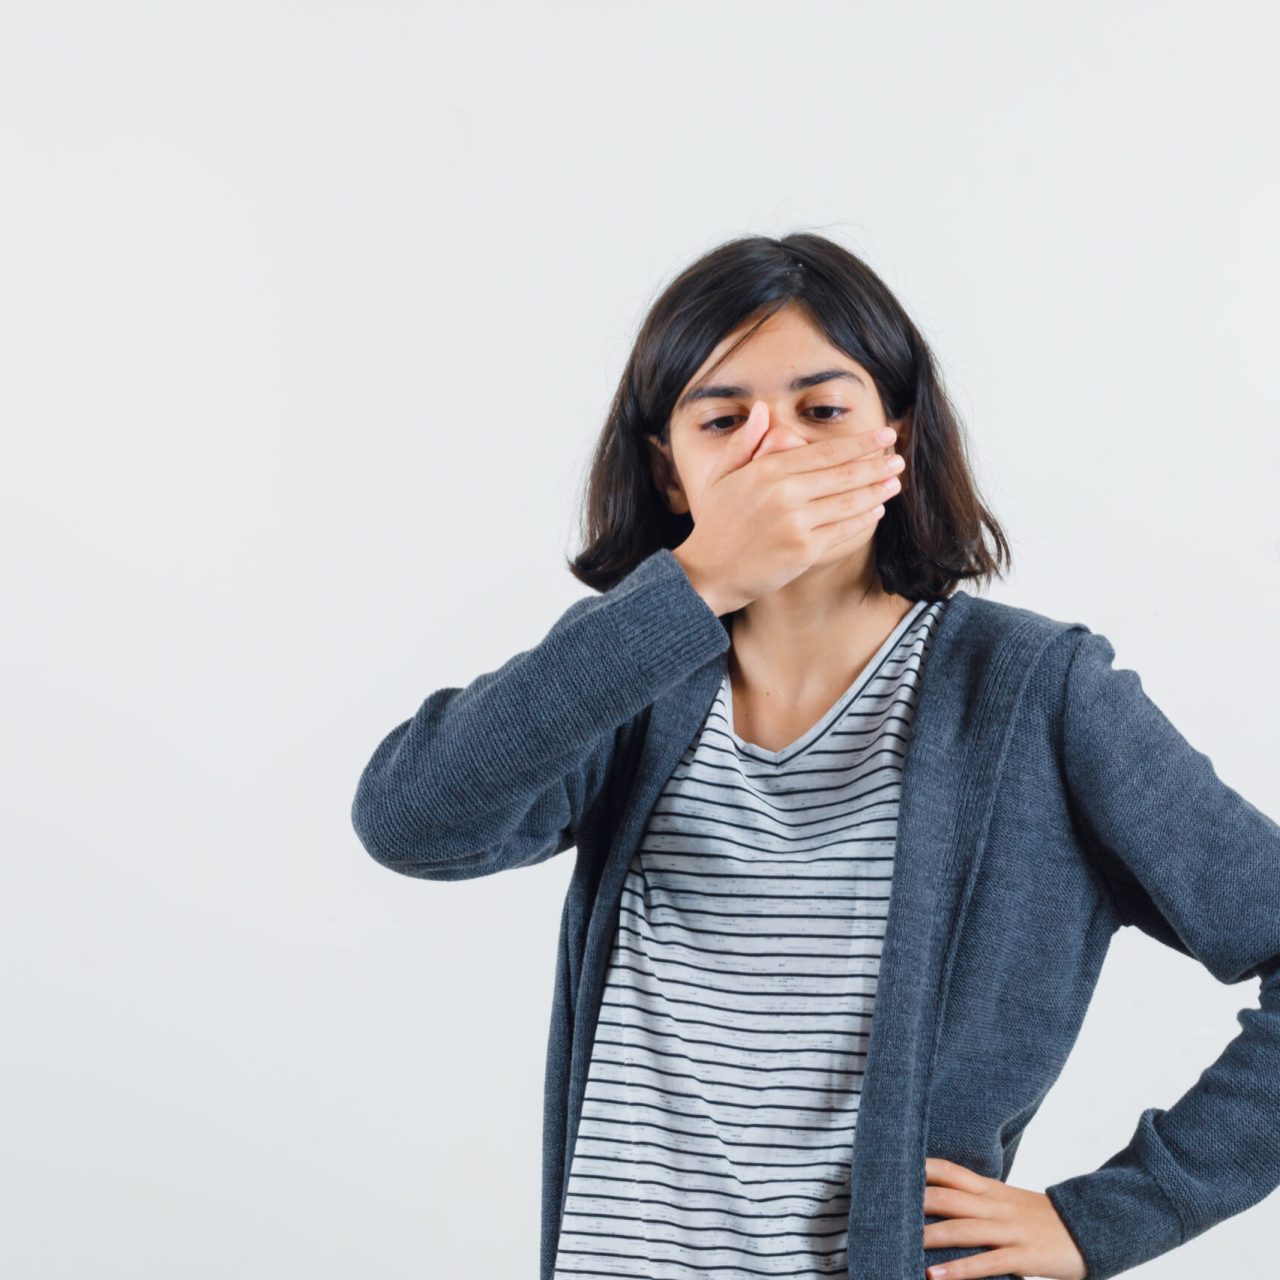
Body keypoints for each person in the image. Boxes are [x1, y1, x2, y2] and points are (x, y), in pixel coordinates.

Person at [351, 233, 1280, 1280]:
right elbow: (410, 821)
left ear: (898, 433)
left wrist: (1106, 1215)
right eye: (721, 418)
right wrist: (693, 582)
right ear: (669, 466)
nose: (774, 448)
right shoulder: (625, 683)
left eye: (820, 408)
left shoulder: (1031, 691)